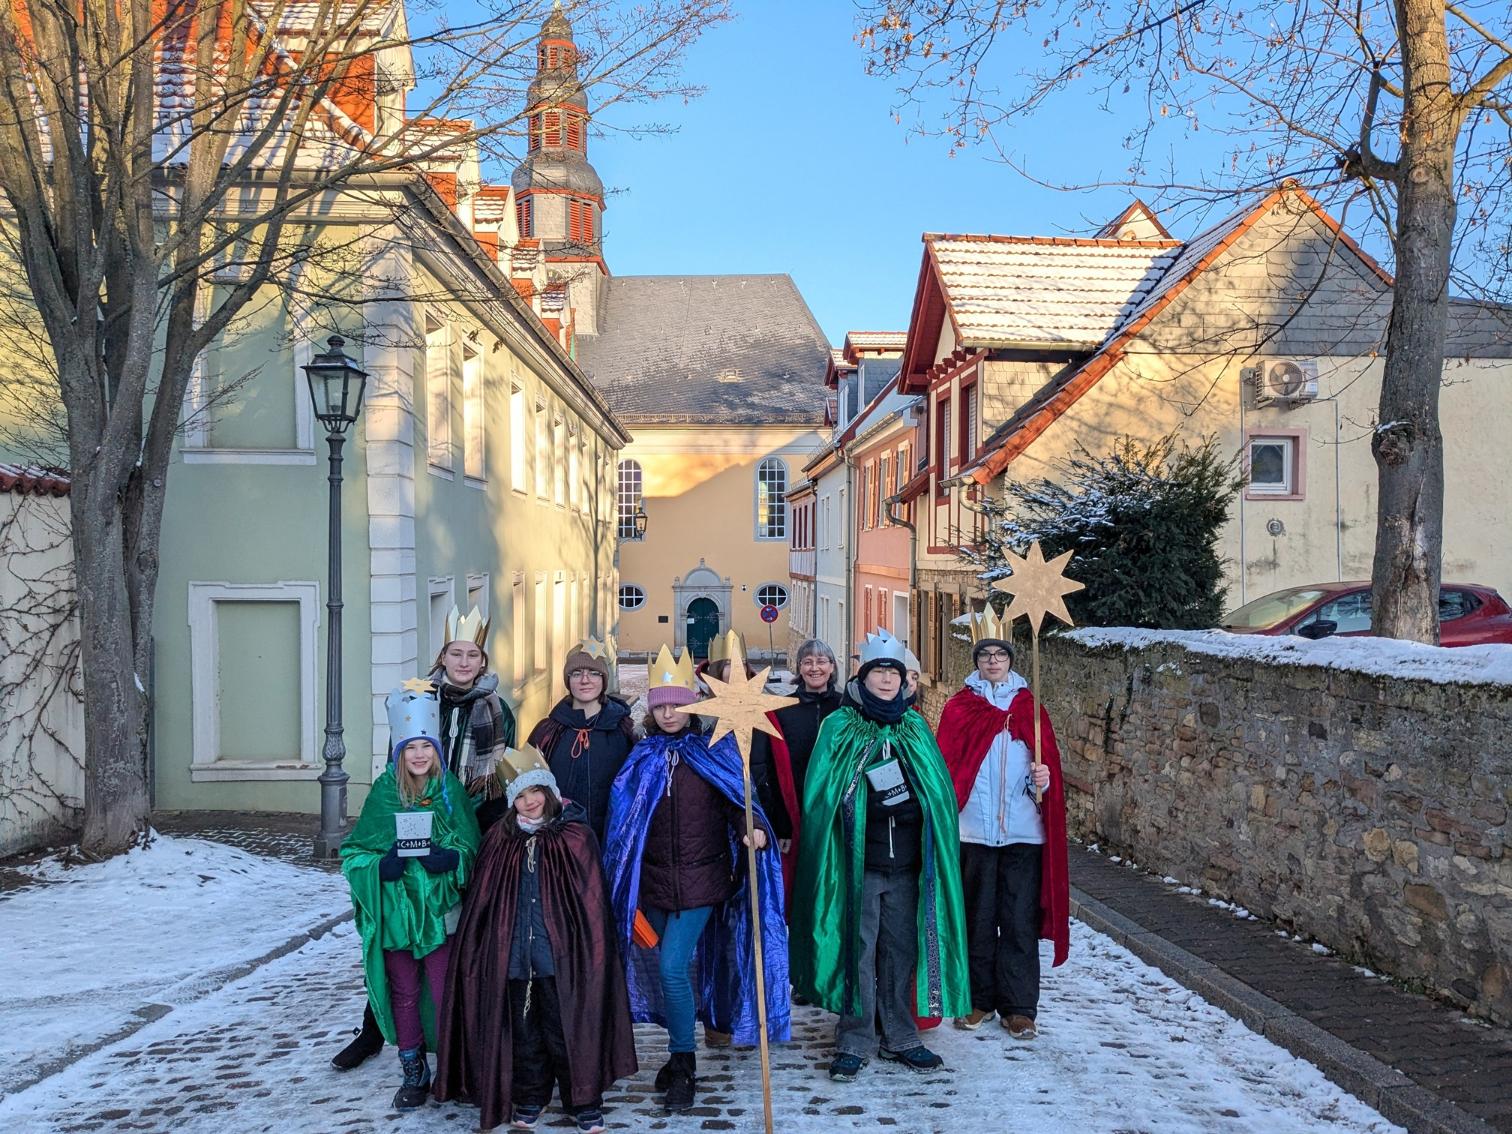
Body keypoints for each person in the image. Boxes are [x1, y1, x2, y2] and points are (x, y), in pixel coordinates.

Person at [601, 644, 789, 1113]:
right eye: (661, 705)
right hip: (653, 886)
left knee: (671, 968)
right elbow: (624, 822)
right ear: (651, 709)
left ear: (693, 706)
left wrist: (757, 830)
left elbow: (738, 803)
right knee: (668, 973)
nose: (669, 713)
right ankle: (676, 1053)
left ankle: (684, 1062)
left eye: (678, 704)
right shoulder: (640, 756)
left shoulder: (713, 751)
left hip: (703, 883)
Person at [332, 604, 516, 1071]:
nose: (463, 663)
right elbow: (399, 761)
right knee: (397, 969)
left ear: (482, 661)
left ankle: (461, 1051)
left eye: (472, 655)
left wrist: (464, 848)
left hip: (461, 826)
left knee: (452, 957)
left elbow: (496, 775)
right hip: (410, 819)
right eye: (456, 653)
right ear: (444, 656)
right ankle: (377, 1033)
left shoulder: (494, 708)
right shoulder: (420, 698)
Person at [791, 629, 970, 1083]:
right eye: (878, 672)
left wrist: (913, 805)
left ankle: (900, 1035)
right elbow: (821, 797)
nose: (887, 680)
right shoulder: (840, 727)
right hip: (859, 865)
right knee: (860, 949)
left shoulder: (915, 727)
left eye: (893, 672)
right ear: (863, 677)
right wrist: (867, 802)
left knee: (901, 950)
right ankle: (854, 1039)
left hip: (908, 865)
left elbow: (940, 795)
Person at [434, 745, 636, 1134]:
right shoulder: (499, 840)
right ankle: (531, 1095)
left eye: (536, 792)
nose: (529, 802)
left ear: (549, 792)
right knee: (525, 1034)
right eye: (521, 796)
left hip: (562, 959)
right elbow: (485, 901)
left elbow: (590, 904)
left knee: (568, 1029)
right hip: (514, 958)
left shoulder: (575, 836)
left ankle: (583, 1100)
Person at [340, 681, 480, 1110]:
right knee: (403, 990)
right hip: (398, 915)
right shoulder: (385, 792)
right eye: (411, 748)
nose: (419, 755)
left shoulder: (450, 791)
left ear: (436, 750)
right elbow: (355, 852)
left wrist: (450, 859)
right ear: (399, 752)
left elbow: (471, 846)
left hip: (440, 915)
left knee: (444, 989)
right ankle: (413, 1070)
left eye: (426, 747)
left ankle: (454, 1068)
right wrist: (381, 866)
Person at [936, 614, 1070, 1040]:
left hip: (1022, 833)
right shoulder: (960, 708)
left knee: (1018, 920)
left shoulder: (1029, 708)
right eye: (985, 654)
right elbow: (948, 769)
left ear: (1011, 660)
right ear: (976, 660)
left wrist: (1044, 779)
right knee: (977, 918)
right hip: (973, 831)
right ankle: (977, 1001)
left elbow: (1048, 772)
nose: (993, 661)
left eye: (999, 654)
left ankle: (1019, 1007)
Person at [748, 638, 844, 903]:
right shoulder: (780, 712)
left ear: (832, 667)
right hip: (793, 814)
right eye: (808, 662)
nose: (815, 668)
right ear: (799, 668)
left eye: (821, 661)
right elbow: (764, 770)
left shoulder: (846, 709)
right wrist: (781, 826)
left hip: (836, 815)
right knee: (799, 893)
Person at [527, 639, 636, 843]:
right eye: (576, 674)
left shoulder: (624, 730)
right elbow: (529, 787)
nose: (585, 680)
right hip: (559, 843)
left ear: (603, 679)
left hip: (609, 838)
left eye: (594, 673)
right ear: (568, 681)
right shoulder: (548, 731)